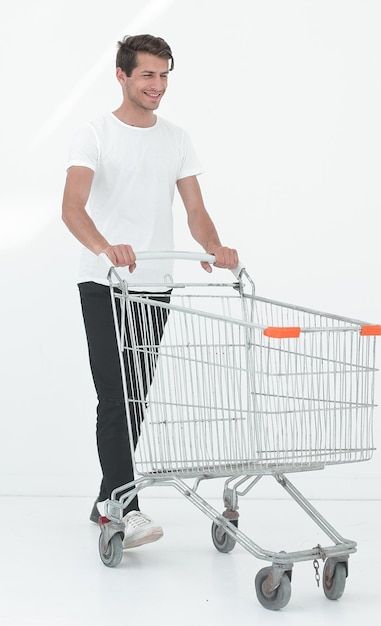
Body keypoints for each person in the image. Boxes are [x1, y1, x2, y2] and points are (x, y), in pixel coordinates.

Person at [62, 34, 238, 549]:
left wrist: (215, 247)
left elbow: (196, 211)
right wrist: (104, 247)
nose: (157, 86)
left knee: (134, 401)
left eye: (163, 76)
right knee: (114, 399)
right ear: (122, 76)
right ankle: (129, 511)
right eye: (147, 75)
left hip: (155, 289)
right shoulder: (94, 133)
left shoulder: (177, 138)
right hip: (105, 285)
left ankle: (106, 502)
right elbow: (73, 207)